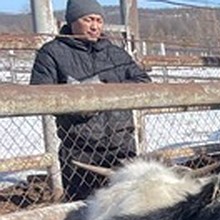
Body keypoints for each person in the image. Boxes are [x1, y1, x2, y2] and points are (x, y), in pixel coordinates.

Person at [30, 0, 150, 200]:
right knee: (84, 211)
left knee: (128, 208)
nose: (95, 26)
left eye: (99, 20)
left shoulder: (116, 54)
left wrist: (108, 86)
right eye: (88, 20)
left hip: (122, 148)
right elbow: (38, 95)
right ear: (72, 21)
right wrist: (79, 101)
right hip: (80, 152)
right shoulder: (51, 52)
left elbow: (144, 83)